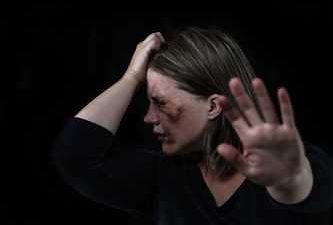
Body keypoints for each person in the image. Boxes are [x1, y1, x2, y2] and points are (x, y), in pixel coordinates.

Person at [51, 27, 333, 224]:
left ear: (213, 106)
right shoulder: (163, 176)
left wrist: (285, 176)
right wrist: (132, 76)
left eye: (160, 103)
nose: (149, 117)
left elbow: (297, 185)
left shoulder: (308, 164)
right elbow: (74, 156)